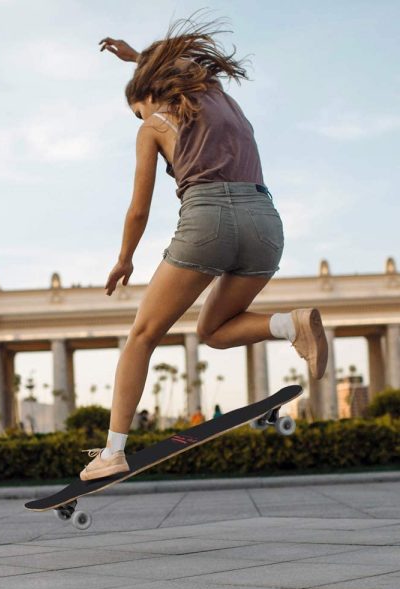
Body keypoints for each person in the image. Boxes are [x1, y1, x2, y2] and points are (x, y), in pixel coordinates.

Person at [79, 12, 328, 482]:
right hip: (264, 223)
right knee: (213, 330)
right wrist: (138, 59)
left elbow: (138, 209)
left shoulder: (153, 122)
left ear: (147, 95)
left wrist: (125, 258)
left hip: (207, 219)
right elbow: (178, 60)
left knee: (142, 335)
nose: (141, 118)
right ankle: (288, 324)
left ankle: (112, 452)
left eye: (138, 109)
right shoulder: (219, 95)